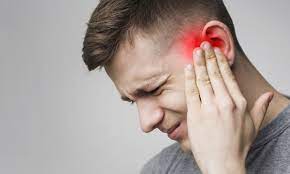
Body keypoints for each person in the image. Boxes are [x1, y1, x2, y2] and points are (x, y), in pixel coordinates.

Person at [82, 0, 290, 173]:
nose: (145, 123)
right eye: (132, 102)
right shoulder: (160, 170)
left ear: (216, 44)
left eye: (154, 89)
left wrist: (224, 168)